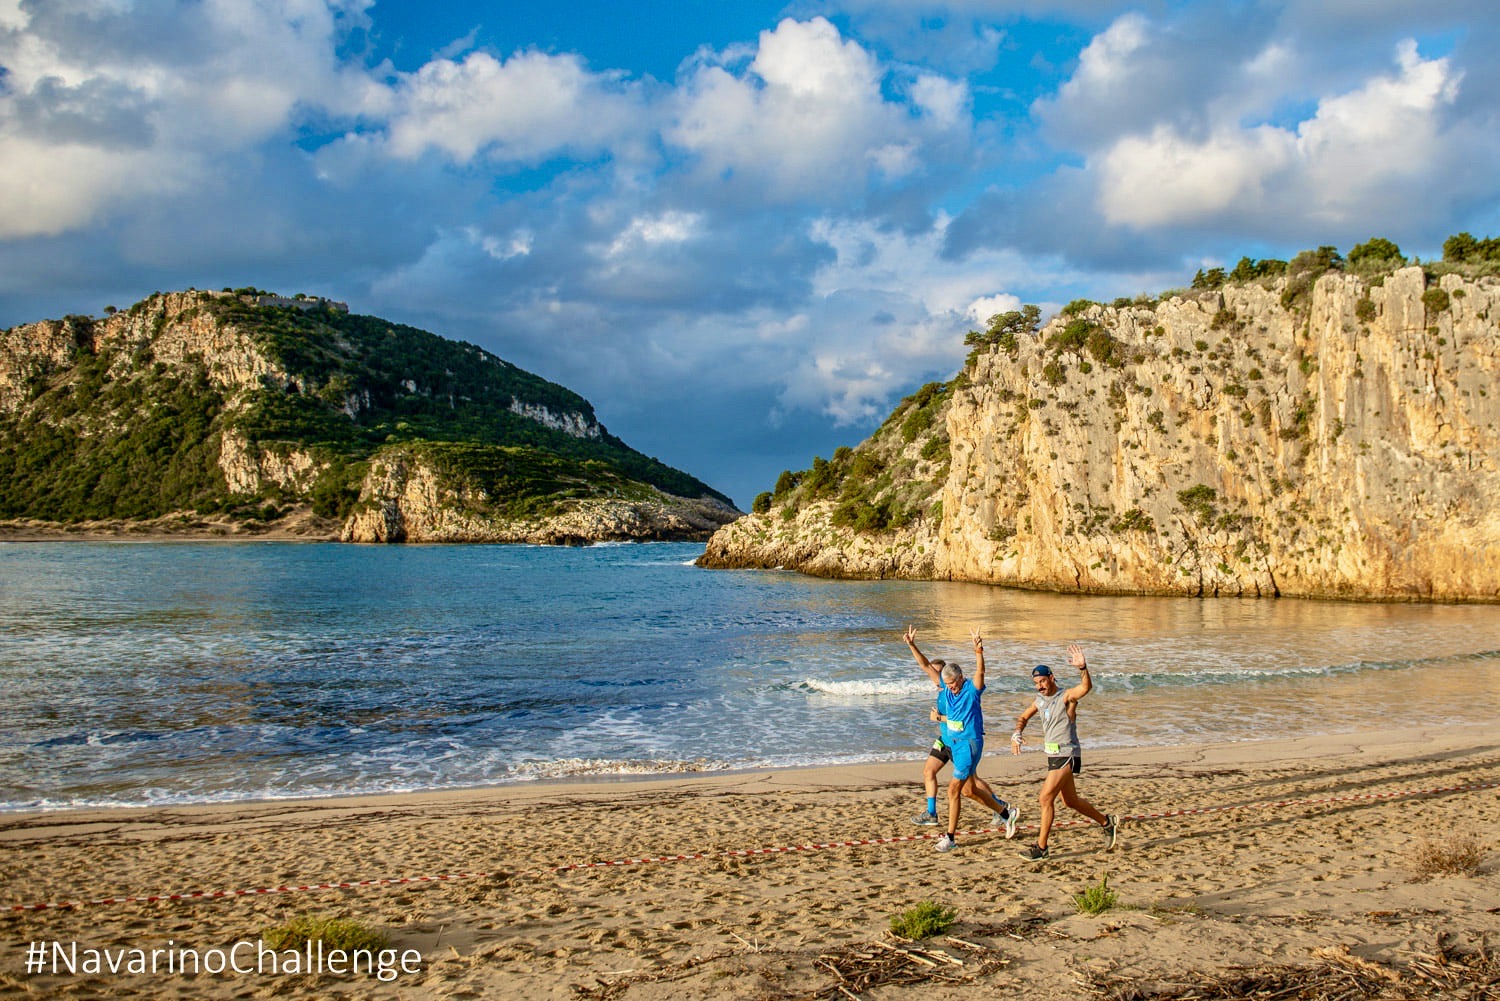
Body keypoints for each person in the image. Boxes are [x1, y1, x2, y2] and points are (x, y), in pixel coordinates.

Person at [905, 626, 1018, 851]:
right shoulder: (945, 691)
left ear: (961, 678)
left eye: (953, 683)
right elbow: (925, 666)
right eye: (947, 684)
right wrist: (911, 645)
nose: (951, 688)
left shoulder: (971, 689)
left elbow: (981, 674)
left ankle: (950, 838)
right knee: (968, 790)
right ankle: (1006, 812)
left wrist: (978, 650)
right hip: (952, 743)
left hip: (970, 744)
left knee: (953, 790)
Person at [1009, 643, 1120, 860]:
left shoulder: (1066, 696)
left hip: (1067, 753)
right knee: (1070, 801)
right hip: (1052, 756)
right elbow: (1023, 717)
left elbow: (1085, 688)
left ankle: (1041, 848)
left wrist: (1083, 668)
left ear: (1051, 677)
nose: (1040, 686)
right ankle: (1107, 822)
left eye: (1042, 681)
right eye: (1036, 683)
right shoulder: (1039, 701)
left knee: (1045, 797)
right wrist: (1017, 733)